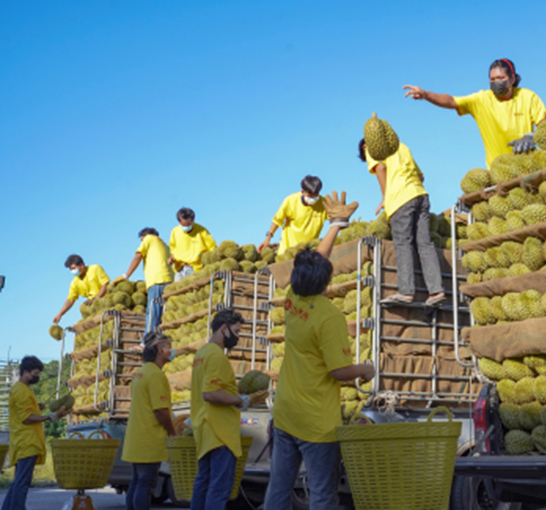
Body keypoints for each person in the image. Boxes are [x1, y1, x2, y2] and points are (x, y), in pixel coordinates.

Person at [263, 191, 375, 510]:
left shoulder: (291, 299)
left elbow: (316, 263)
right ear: (326, 281)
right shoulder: (330, 316)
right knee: (323, 494)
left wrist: (336, 226)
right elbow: (338, 372)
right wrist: (367, 369)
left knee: (279, 487)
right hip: (315, 423)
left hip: (285, 413)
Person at [404, 59, 546, 168]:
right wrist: (426, 95)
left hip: (527, 165)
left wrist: (532, 136)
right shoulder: (481, 99)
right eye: (492, 80)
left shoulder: (527, 97)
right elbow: (451, 101)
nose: (496, 83)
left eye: (501, 79)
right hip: (497, 170)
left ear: (513, 79)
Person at [358, 139, 445, 306]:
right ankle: (436, 291)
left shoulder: (373, 146)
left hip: (400, 198)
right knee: (425, 243)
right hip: (421, 195)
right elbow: (421, 176)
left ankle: (405, 292)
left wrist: (385, 197)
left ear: (364, 147)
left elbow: (381, 167)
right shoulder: (401, 146)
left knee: (403, 243)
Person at [189, 308, 250, 510]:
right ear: (224, 329)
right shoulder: (216, 355)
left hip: (205, 429)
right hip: (220, 432)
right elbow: (210, 393)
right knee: (219, 489)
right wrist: (239, 401)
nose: (238, 337)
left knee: (203, 484)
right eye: (236, 331)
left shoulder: (201, 354)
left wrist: (233, 391)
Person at [121, 332, 176, 510]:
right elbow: (160, 411)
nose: (171, 350)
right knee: (145, 485)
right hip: (149, 440)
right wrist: (172, 432)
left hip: (137, 439)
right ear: (160, 351)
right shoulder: (155, 375)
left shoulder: (141, 372)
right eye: (168, 347)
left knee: (137, 483)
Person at [3, 356, 67, 510]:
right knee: (22, 483)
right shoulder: (21, 391)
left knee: (18, 481)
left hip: (24, 442)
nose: (37, 377)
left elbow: (25, 411)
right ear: (25, 372)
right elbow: (26, 418)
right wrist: (51, 416)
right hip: (27, 443)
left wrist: (37, 406)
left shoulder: (23, 389)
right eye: (35, 374)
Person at [115, 228, 174, 337]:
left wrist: (126, 275)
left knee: (152, 313)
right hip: (170, 281)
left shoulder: (148, 239)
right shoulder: (165, 245)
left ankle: (146, 342)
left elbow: (138, 257)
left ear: (144, 237)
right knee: (163, 313)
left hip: (157, 280)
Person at [258, 175, 328, 255]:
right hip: (288, 251)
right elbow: (277, 220)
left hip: (309, 251)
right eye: (310, 196)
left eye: (315, 196)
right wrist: (268, 238)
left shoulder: (323, 203)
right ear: (302, 192)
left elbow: (335, 218)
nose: (313, 199)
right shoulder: (290, 201)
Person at [52, 254, 110, 324]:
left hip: (107, 301)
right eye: (71, 270)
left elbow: (105, 284)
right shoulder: (75, 282)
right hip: (94, 308)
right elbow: (70, 300)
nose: (72, 271)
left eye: (74, 268)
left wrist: (96, 298)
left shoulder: (95, 268)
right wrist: (60, 314)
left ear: (81, 265)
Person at [168, 207, 217, 281]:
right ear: (179, 221)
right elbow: (173, 248)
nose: (187, 227)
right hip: (179, 269)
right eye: (184, 225)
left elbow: (213, 247)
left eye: (189, 224)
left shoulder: (201, 230)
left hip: (195, 268)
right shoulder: (174, 232)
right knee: (177, 291)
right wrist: (171, 259)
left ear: (193, 220)